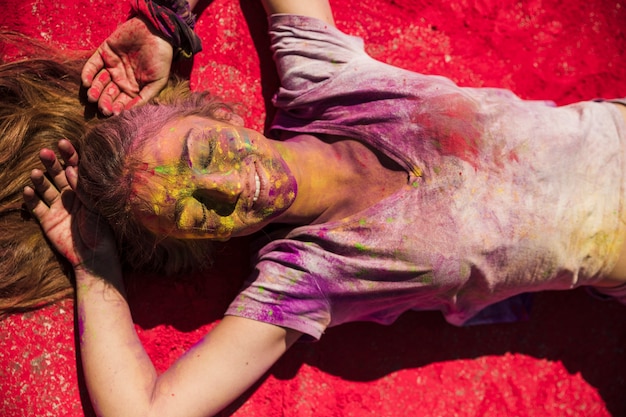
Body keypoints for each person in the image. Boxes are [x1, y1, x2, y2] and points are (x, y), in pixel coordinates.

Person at [20, 0, 626, 416]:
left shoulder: (325, 80)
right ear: (205, 244)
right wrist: (94, 265)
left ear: (220, 114)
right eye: (197, 213)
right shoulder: (305, 278)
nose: (228, 188)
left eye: (206, 151)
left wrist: (166, 16)